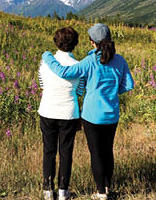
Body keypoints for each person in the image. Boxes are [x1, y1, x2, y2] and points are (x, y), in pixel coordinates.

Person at [42, 23, 134, 200]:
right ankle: (106, 188)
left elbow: (64, 72)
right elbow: (128, 85)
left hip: (92, 114)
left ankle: (100, 193)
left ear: (93, 42)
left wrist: (47, 56)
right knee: (108, 151)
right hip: (112, 113)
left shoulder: (90, 61)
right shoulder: (120, 60)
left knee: (96, 154)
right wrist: (112, 92)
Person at [38, 27, 85, 200]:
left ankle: (48, 190)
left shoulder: (46, 63)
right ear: (75, 44)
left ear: (55, 42)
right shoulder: (79, 66)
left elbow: (41, 83)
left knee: (48, 151)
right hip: (69, 113)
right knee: (66, 152)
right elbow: (80, 90)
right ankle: (63, 191)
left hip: (48, 110)